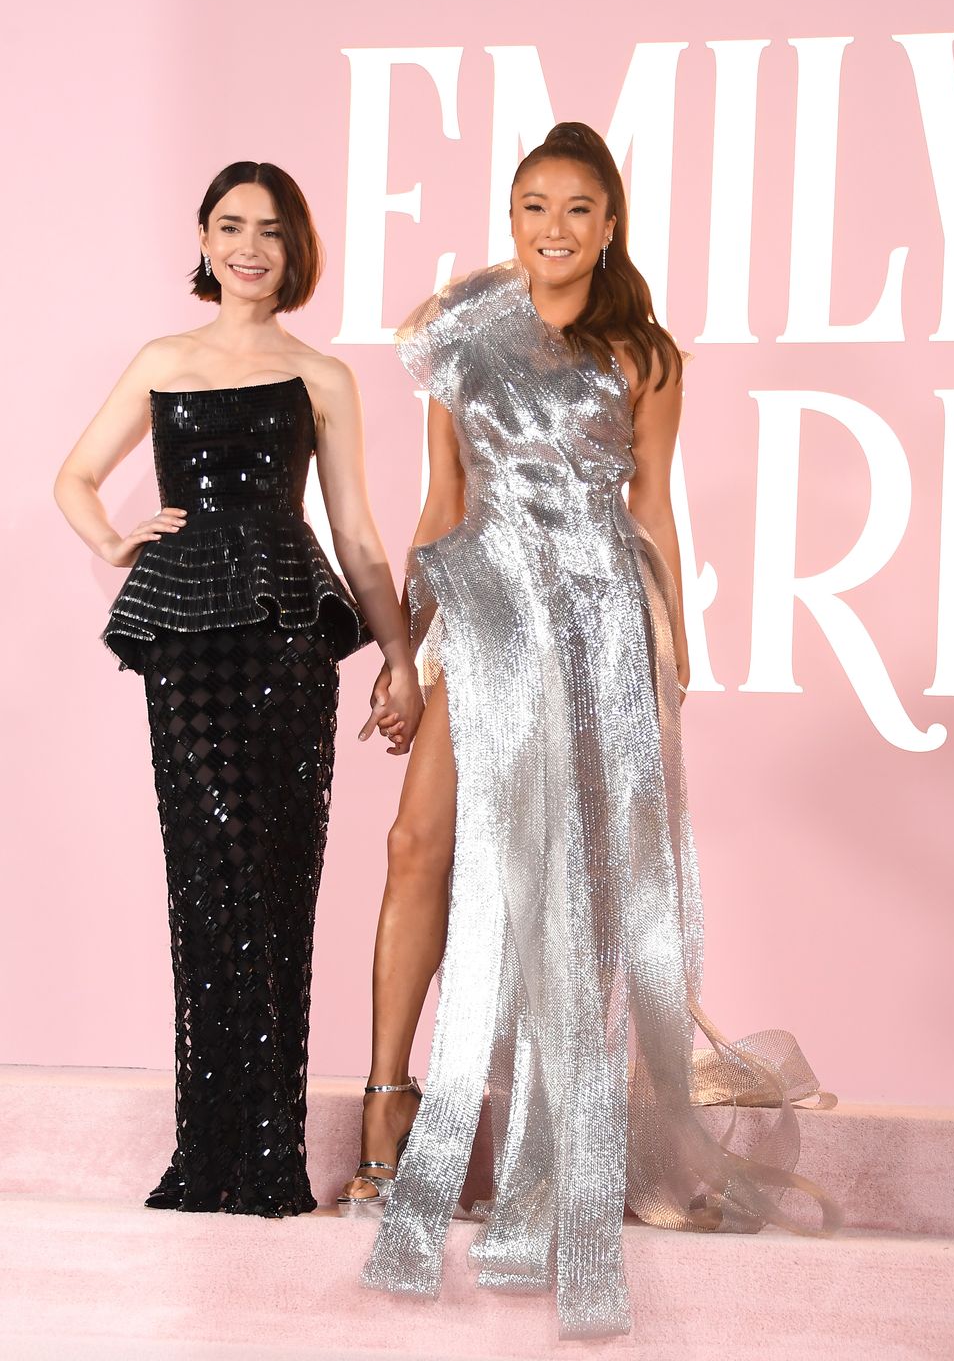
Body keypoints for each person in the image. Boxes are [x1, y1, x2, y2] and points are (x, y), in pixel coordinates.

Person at [342, 123, 836, 1336]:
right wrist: (407, 655)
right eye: (531, 207)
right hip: (485, 607)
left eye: (576, 209)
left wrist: (674, 650)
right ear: (508, 219)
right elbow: (442, 503)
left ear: (610, 224)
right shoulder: (461, 340)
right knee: (420, 849)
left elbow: (652, 506)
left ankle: (572, 1138)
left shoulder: (645, 356)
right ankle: (391, 1108)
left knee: (579, 889)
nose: (552, 229)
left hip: (599, 620)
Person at [54, 160, 422, 1218]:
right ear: (205, 241)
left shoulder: (322, 375)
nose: (248, 246)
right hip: (186, 649)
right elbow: (72, 476)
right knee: (203, 881)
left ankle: (264, 1159)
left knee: (275, 883)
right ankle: (203, 1154)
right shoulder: (163, 359)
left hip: (284, 644)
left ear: (293, 247)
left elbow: (352, 530)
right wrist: (117, 542)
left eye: (268, 229)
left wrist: (398, 656)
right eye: (229, 226)